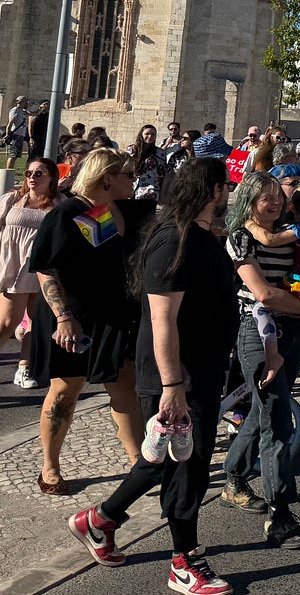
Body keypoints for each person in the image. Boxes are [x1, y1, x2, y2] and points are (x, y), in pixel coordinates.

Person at [67, 157, 238, 595]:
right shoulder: (175, 241)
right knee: (188, 468)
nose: (229, 193)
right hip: (177, 376)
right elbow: (162, 320)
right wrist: (172, 385)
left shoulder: (200, 236)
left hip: (199, 369)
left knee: (164, 458)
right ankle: (184, 563)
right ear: (214, 190)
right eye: (226, 186)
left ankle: (100, 519)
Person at [27, 149, 151, 494]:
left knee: (124, 384)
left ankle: (139, 463)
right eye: (128, 174)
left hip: (113, 316)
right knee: (66, 388)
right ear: (107, 177)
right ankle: (49, 466)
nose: (133, 180)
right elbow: (46, 268)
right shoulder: (68, 213)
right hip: (71, 316)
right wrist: (63, 317)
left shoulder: (127, 211)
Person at [221, 172, 300, 544]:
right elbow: (263, 293)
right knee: (278, 422)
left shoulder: (287, 231)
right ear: (249, 199)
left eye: (277, 196)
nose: (275, 203)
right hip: (258, 332)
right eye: (266, 197)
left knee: (264, 411)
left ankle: (233, 476)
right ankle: (279, 514)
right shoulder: (239, 238)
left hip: (293, 332)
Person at [0, 156, 59, 388]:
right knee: (7, 321)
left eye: (39, 173)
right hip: (13, 266)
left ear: (51, 177)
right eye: (29, 173)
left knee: (36, 320)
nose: (32, 177)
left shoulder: (59, 203)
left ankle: (25, 367)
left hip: (42, 268)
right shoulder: (13, 199)